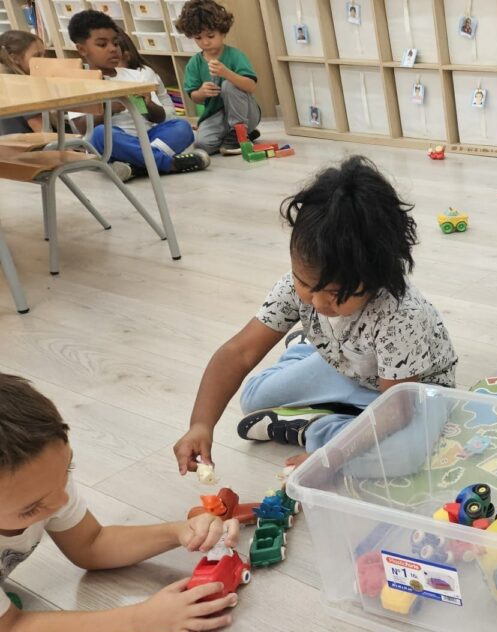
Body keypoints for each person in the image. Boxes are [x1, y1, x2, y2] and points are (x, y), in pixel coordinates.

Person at [172, 156, 457, 475]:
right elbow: (238, 353)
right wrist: (200, 425)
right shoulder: (296, 288)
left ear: (376, 278)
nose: (318, 302)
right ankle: (305, 352)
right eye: (305, 284)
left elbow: (395, 410)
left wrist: (331, 456)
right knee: (253, 398)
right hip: (349, 366)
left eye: (336, 294)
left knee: (401, 456)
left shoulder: (399, 316)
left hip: (412, 391)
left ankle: (310, 428)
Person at [0, 374, 241, 632]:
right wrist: (140, 619)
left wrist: (179, 531)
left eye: (67, 470)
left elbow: (91, 544)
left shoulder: (43, 485)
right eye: (31, 508)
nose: (61, 501)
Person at [68, 11, 208, 177]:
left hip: (147, 137)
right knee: (100, 134)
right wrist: (108, 109)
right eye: (102, 45)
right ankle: (168, 164)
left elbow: (159, 118)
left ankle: (135, 167)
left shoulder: (135, 76)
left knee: (181, 126)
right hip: (112, 144)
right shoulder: (80, 83)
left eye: (115, 43)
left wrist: (149, 105)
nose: (113, 49)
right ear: (82, 49)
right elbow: (82, 127)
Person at [174, 0, 261, 157]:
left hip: (246, 113)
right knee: (202, 145)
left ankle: (240, 134)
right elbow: (195, 97)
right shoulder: (194, 63)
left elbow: (251, 86)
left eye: (210, 36)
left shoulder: (235, 55)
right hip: (215, 115)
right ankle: (242, 135)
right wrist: (202, 92)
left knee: (229, 85)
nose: (205, 42)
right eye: (198, 38)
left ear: (223, 32)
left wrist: (227, 73)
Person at [0, 29, 44, 136]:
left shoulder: (5, 78)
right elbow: (41, 129)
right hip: (28, 143)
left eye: (44, 55)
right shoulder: (20, 85)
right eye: (37, 56)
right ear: (14, 58)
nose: (43, 60)